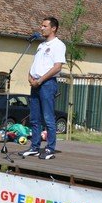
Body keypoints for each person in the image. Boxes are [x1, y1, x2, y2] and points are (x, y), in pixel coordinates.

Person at [20, 17, 66, 160]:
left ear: (53, 28)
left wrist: (40, 80)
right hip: (35, 83)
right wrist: (30, 76)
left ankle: (50, 148)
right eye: (41, 25)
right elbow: (36, 64)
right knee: (34, 118)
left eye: (45, 26)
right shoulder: (40, 45)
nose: (41, 28)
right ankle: (34, 147)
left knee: (48, 117)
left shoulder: (58, 45)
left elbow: (57, 67)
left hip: (47, 84)